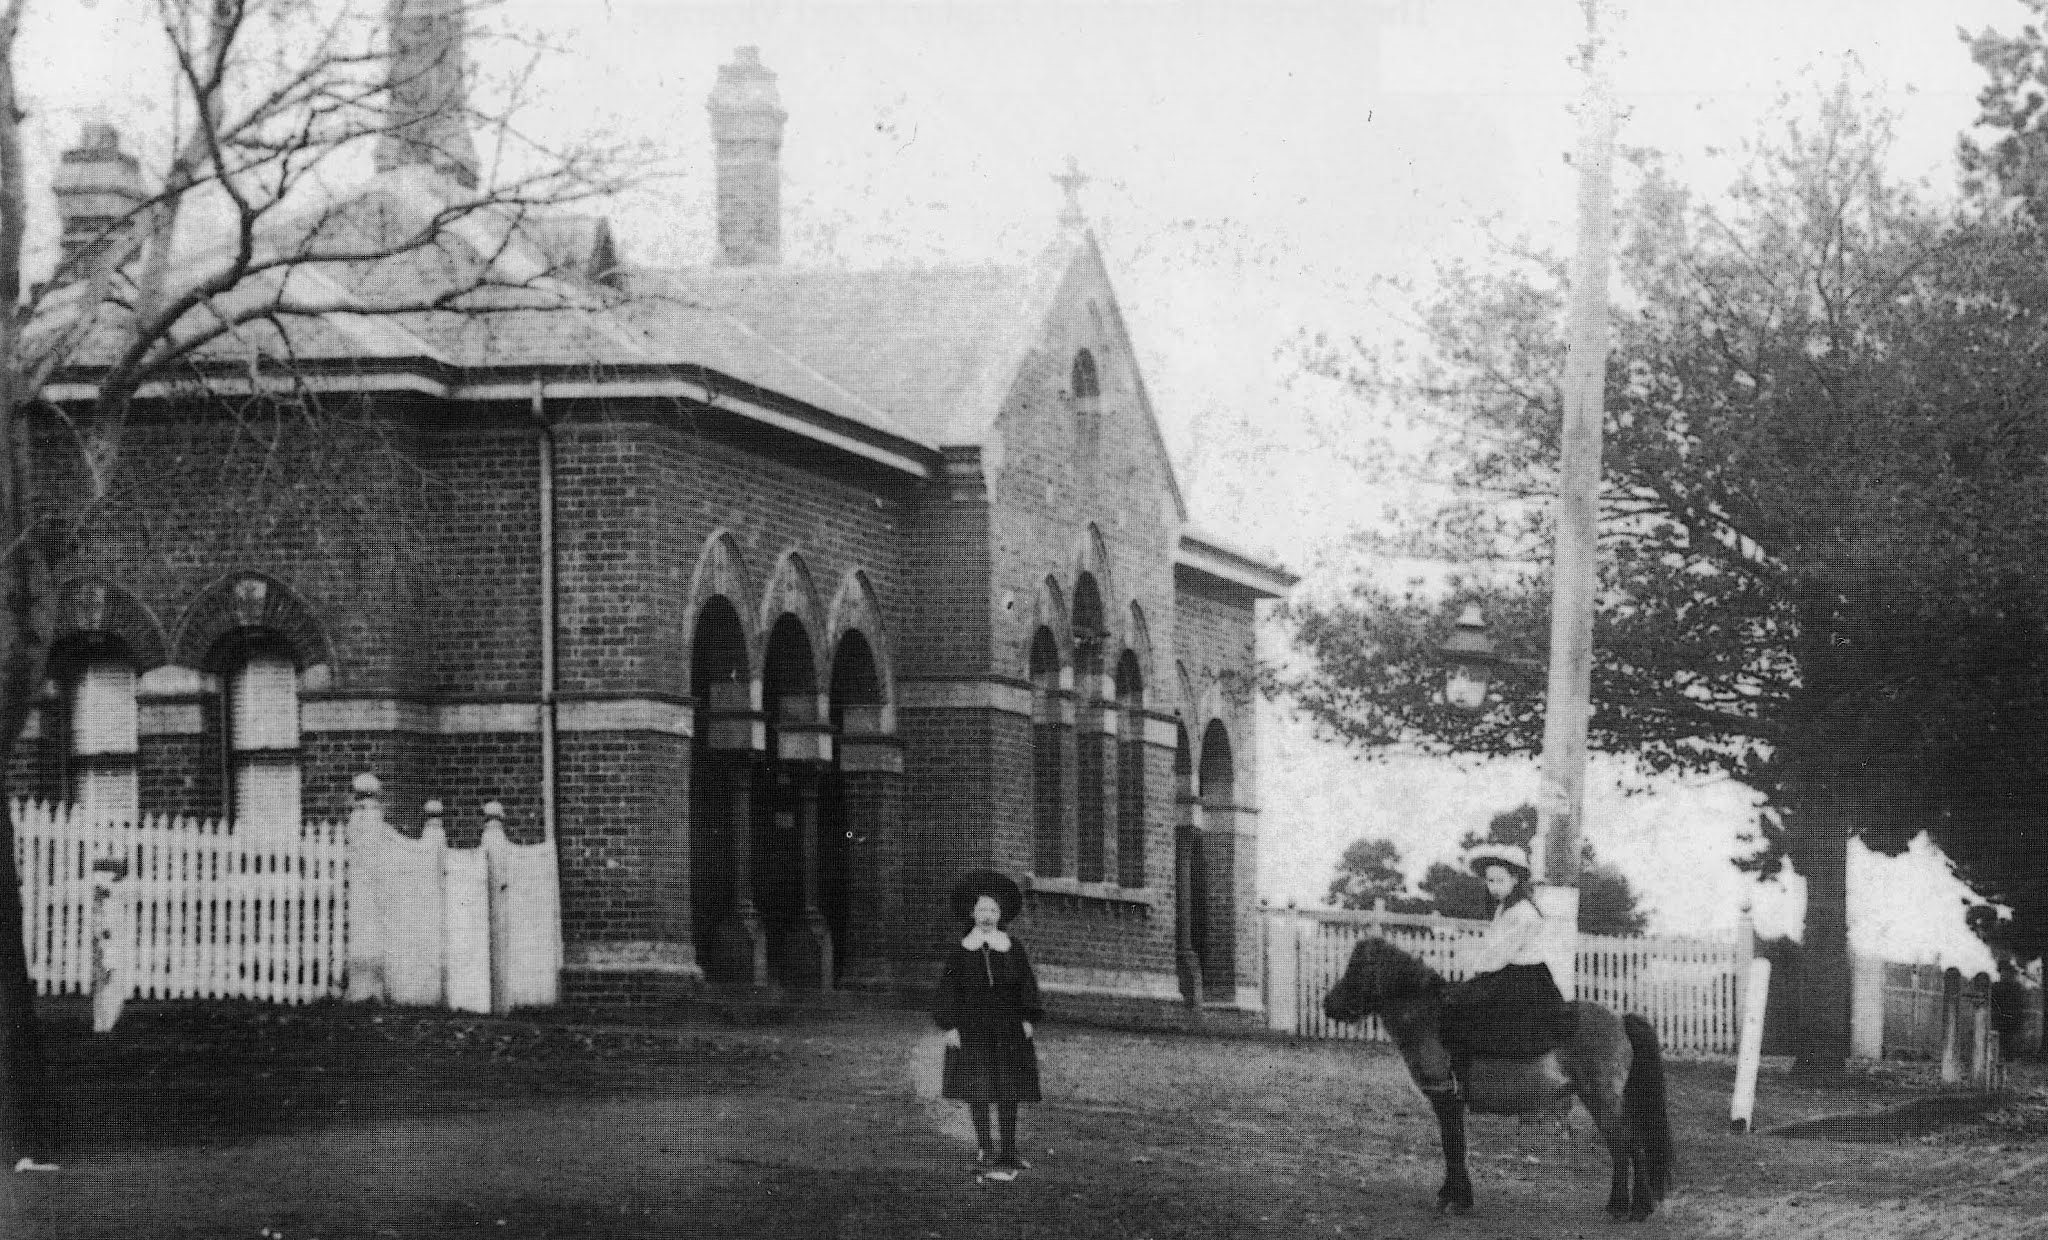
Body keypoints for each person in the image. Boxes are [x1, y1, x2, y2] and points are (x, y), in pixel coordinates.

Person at [1426, 843, 1573, 1098]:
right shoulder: (1505, 908)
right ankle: (1462, 1072)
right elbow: (1492, 947)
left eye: (1499, 880)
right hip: (1506, 971)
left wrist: (1475, 975)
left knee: (1468, 1007)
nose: (1493, 887)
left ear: (1515, 879)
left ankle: (1474, 1077)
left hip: (1523, 978)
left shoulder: (1524, 913)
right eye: (1489, 881)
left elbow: (1498, 955)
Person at [933, 869, 1043, 1181]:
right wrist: (950, 1026)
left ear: (1001, 914)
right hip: (973, 1029)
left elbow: (1026, 984)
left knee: (1009, 1088)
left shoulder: (1012, 947)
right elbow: (948, 990)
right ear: (972, 913)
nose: (987, 916)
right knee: (978, 1087)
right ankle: (984, 1146)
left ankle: (1008, 1149)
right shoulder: (961, 949)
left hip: (1008, 1027)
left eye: (993, 910)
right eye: (982, 909)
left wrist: (1027, 1018)